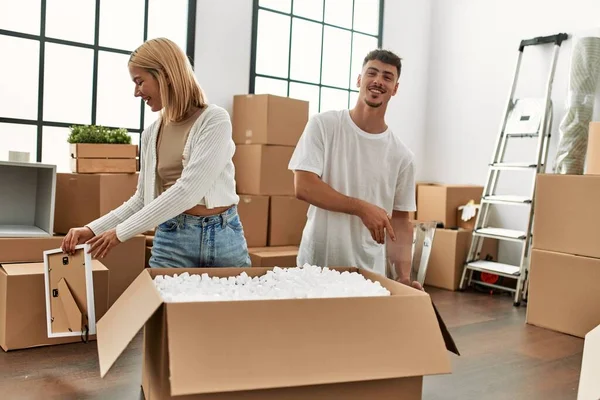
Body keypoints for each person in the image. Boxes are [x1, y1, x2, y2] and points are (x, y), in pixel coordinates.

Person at [61, 38, 251, 268]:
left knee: (234, 304)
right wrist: (92, 229)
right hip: (172, 238)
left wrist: (120, 233)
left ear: (165, 75)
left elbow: (189, 190)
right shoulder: (151, 134)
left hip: (224, 238)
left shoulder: (214, 120)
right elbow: (142, 199)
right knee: (160, 304)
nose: (136, 92)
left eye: (140, 82)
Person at [288, 49, 421, 289]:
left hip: (368, 275)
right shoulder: (324, 125)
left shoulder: (402, 156)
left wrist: (403, 278)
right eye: (372, 73)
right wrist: (361, 208)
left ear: (395, 88)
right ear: (359, 79)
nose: (379, 81)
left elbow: (401, 222)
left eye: (388, 77)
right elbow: (304, 186)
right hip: (315, 266)